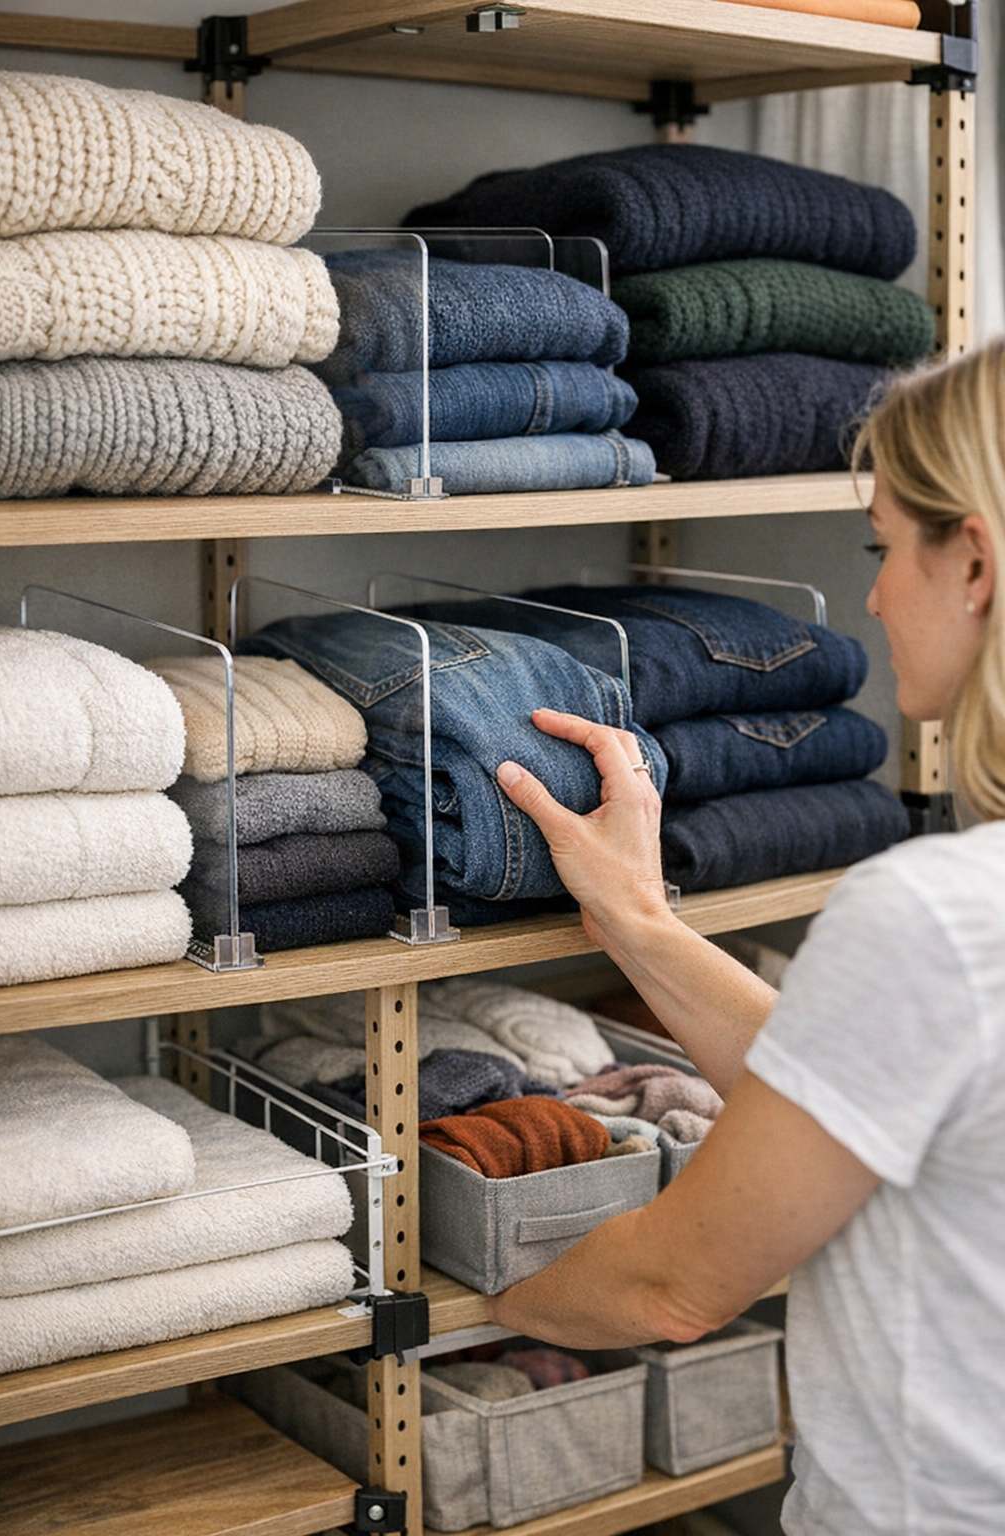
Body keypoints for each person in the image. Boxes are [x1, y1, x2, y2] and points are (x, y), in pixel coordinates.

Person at [489, 336, 1005, 1536]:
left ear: (974, 563)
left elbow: (672, 1287)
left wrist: (454, 1303)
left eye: (883, 549)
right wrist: (637, 919)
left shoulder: (935, 913)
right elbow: (868, 1085)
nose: (872, 597)